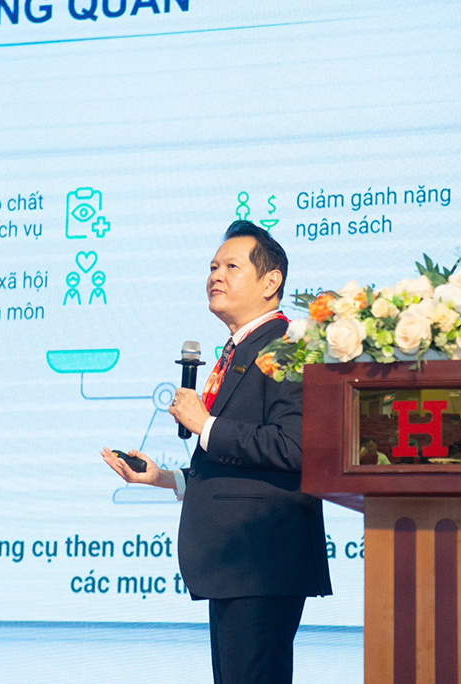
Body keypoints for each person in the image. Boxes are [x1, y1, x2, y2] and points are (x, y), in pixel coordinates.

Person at [101, 220, 332, 684]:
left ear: (271, 281)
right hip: (237, 563)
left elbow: (294, 448)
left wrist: (204, 424)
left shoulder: (288, 346)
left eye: (231, 266)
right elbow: (241, 461)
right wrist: (168, 478)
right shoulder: (241, 348)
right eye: (212, 267)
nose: (215, 276)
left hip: (262, 561)